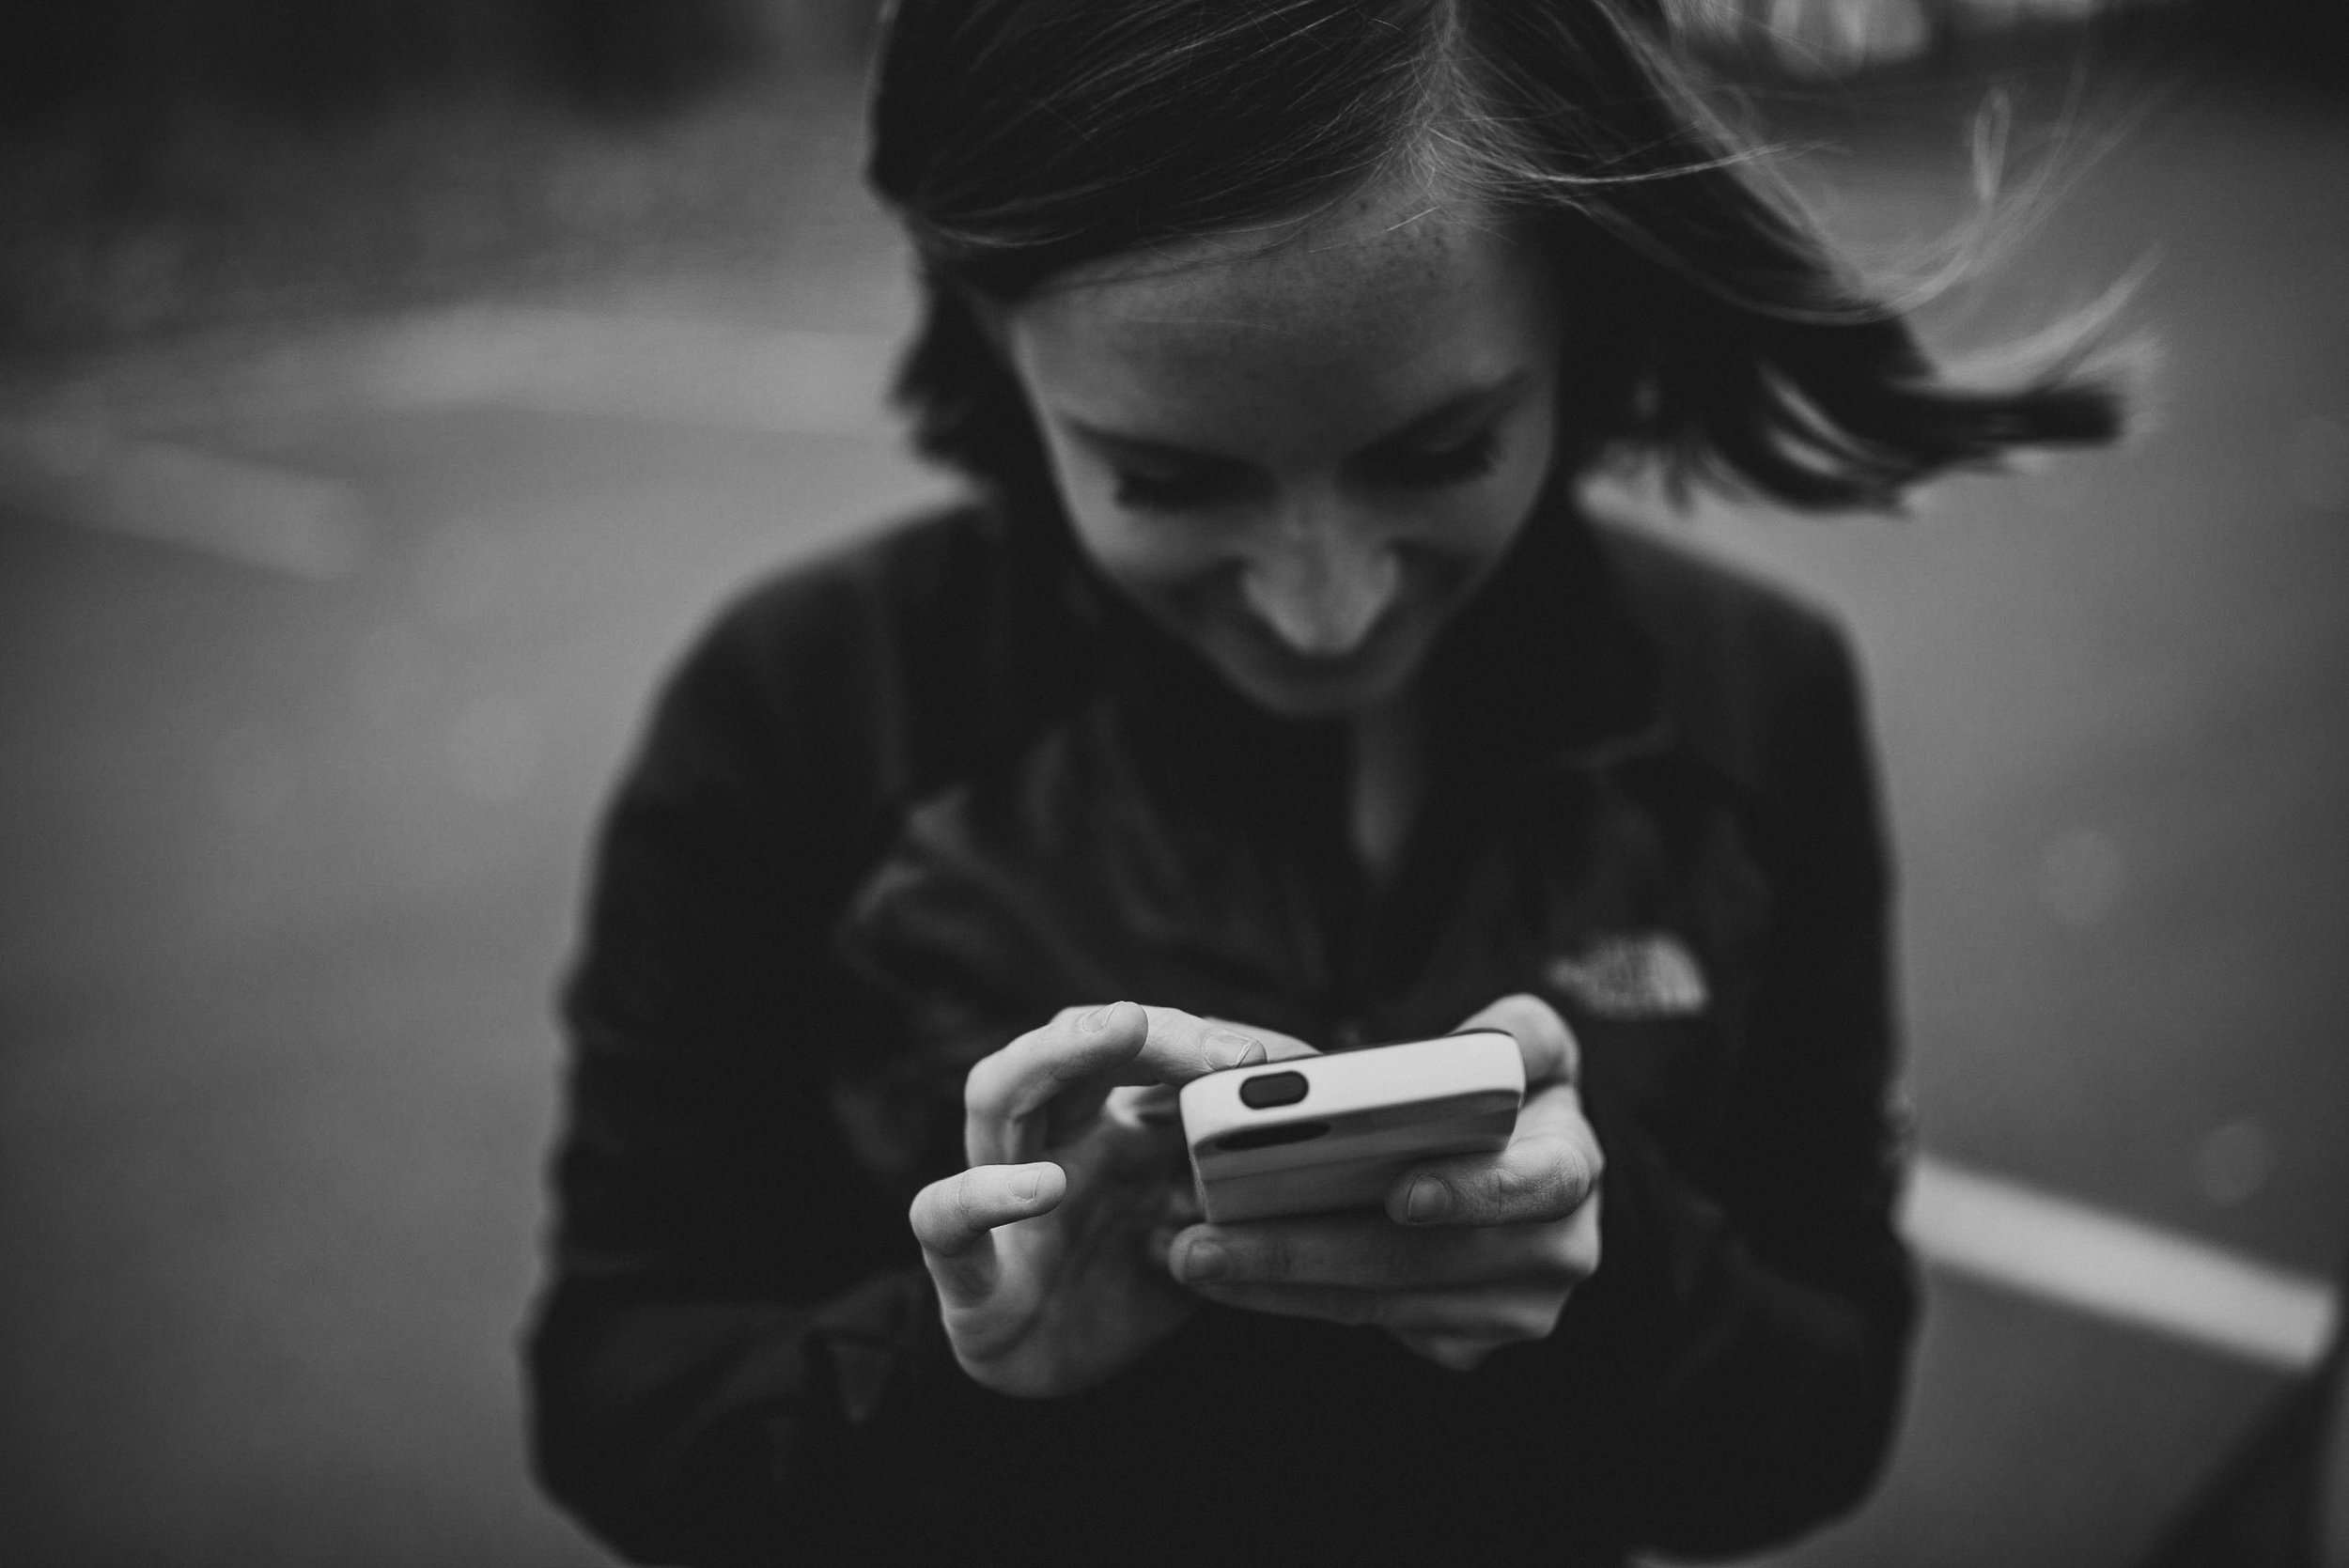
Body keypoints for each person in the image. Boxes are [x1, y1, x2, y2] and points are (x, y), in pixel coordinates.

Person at [525, 2, 2127, 1563]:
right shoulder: (801, 707)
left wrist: (1603, 1258)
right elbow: (615, 1391)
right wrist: (960, 1384)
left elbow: (1825, 1415)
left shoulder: (1754, 697)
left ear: (1587, 304)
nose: (1324, 609)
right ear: (991, 335)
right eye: (1169, 478)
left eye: (1435, 454)